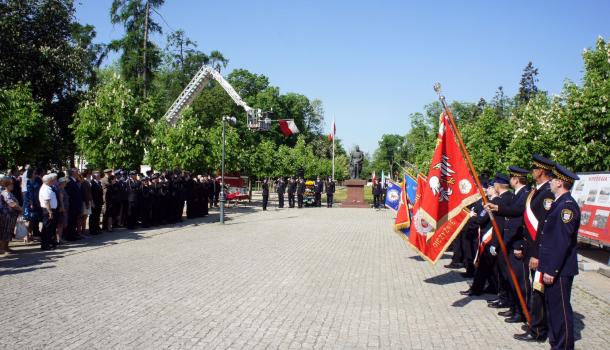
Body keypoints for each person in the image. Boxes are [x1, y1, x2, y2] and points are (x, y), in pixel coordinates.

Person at [514, 154, 555, 343]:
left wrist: (537, 255)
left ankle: (538, 330)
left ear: (541, 171)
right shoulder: (536, 191)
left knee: (539, 291)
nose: (532, 171)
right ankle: (535, 322)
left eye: (534, 169)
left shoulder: (547, 193)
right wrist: (523, 245)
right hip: (531, 248)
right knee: (535, 288)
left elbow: (543, 228)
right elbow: (527, 223)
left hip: (539, 253)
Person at [538, 163, 580, 350]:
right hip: (552, 266)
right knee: (553, 308)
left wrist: (552, 270)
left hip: (560, 269)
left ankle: (564, 346)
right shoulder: (559, 203)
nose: (551, 182)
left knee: (561, 309)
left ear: (560, 183)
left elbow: (561, 243)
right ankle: (557, 342)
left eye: (553, 179)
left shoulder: (567, 208)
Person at [485, 166, 531, 324]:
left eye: (511, 177)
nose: (510, 180)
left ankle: (522, 312)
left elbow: (520, 219)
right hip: (510, 241)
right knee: (511, 280)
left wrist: (519, 245)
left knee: (520, 282)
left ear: (516, 179)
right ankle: (514, 308)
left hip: (517, 243)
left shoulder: (525, 194)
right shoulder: (519, 194)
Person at [1, 175, 23, 255]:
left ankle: (6, 247)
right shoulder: (5, 193)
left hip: (11, 215)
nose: (13, 186)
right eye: (11, 184)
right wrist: (21, 209)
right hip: (7, 215)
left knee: (9, 231)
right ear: (7, 185)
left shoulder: (9, 193)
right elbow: (11, 204)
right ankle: (2, 248)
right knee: (5, 231)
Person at [39, 174, 59, 251]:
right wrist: (50, 211)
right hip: (47, 210)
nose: (52, 182)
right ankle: (45, 245)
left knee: (50, 228)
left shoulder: (48, 187)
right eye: (51, 180)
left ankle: (49, 243)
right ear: (47, 181)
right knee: (46, 228)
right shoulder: (45, 188)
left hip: (51, 209)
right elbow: (46, 201)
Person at [23, 168, 42, 243]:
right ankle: (26, 235)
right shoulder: (28, 181)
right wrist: (31, 203)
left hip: (37, 202)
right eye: (34, 173)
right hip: (30, 203)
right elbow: (29, 193)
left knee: (34, 220)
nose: (35, 174)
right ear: (30, 174)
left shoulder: (37, 179)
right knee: (29, 220)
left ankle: (31, 235)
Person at [79, 171, 92, 237]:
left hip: (87, 201)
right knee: (83, 217)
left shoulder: (87, 181)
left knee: (85, 217)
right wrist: (87, 203)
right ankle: (82, 232)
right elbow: (85, 193)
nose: (90, 175)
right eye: (89, 174)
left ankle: (83, 231)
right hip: (85, 201)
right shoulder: (84, 182)